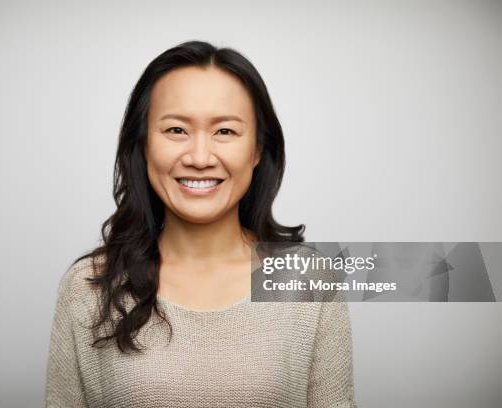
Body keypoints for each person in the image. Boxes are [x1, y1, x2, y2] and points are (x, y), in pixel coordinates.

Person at [45, 40, 356, 408]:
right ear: (143, 145)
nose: (199, 157)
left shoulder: (309, 281)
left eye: (225, 131)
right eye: (176, 130)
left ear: (257, 149)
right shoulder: (88, 287)